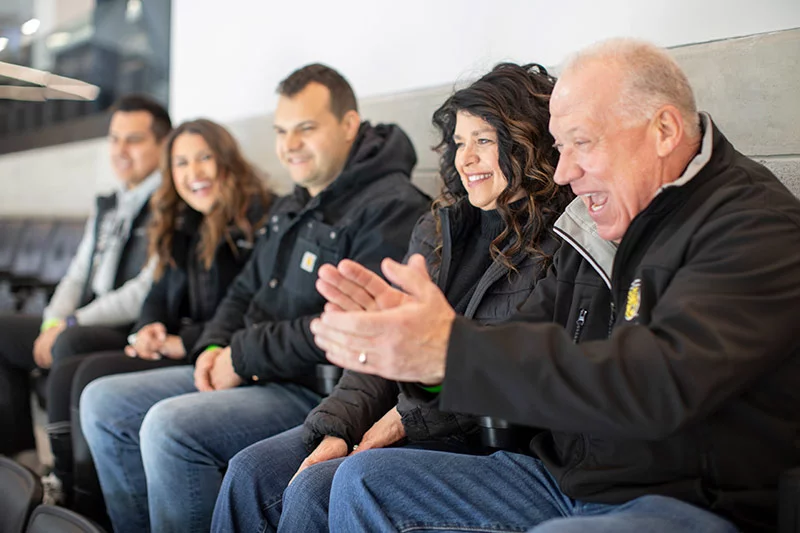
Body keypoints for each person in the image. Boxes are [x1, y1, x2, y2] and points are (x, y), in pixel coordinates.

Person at [310, 38, 800, 533]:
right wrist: (426, 361)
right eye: (561, 148)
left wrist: (453, 351)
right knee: (364, 479)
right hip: (566, 483)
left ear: (665, 130)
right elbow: (514, 344)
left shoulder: (752, 225)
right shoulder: (596, 222)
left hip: (682, 502)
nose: (565, 172)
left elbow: (656, 384)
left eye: (582, 143)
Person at [211, 62, 575, 533]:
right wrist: (337, 428)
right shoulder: (440, 225)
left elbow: (500, 360)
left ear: (527, 141)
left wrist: (403, 418)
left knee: (318, 487)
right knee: (253, 471)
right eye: (460, 143)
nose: (466, 159)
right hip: (407, 411)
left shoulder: (558, 241)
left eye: (484, 140)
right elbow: (382, 342)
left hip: (483, 437)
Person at [80, 63, 430, 533]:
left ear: (349, 126)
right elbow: (244, 288)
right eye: (281, 131)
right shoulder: (296, 201)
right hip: (259, 370)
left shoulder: (392, 206)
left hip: (314, 388)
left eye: (306, 128)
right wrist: (211, 348)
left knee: (168, 428)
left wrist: (240, 357)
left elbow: (345, 330)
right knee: (102, 401)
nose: (289, 145)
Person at [45, 118, 271, 519]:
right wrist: (147, 328)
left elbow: (248, 315)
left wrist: (180, 342)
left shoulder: (255, 221)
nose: (194, 173)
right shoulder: (183, 221)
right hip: (187, 343)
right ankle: (75, 503)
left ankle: (87, 507)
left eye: (204, 158)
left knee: (89, 380)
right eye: (182, 163)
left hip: (216, 353)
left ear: (227, 162)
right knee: (75, 365)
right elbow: (156, 293)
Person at [0, 94, 170, 464]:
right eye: (114, 139)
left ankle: (66, 475)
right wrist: (53, 320)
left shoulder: (169, 202)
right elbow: (76, 274)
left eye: (134, 139)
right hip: (83, 316)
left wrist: (71, 323)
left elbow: (142, 291)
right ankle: (21, 462)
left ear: (162, 144)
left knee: (71, 341)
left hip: (125, 325)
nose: (120, 150)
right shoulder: (108, 203)